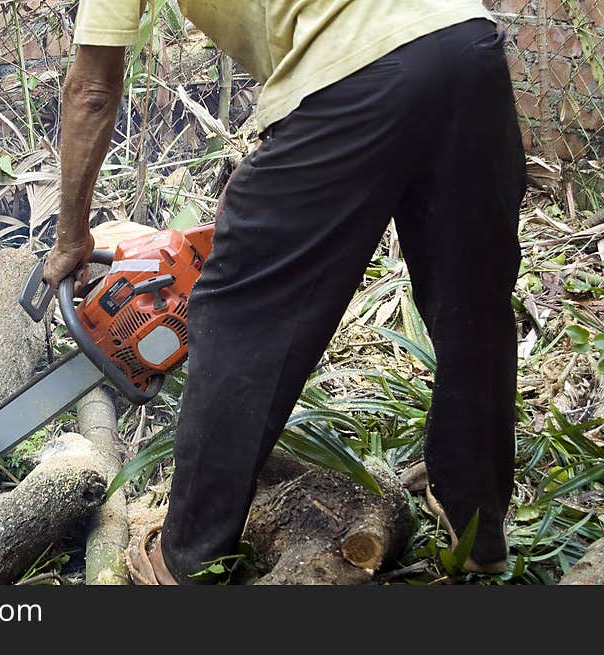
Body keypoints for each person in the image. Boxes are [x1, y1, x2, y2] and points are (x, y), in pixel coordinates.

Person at [43, 0, 527, 584]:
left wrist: (71, 234)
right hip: (466, 44)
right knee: (472, 301)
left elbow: (92, 88)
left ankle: (185, 561)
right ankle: (479, 529)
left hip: (358, 73)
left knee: (240, 312)